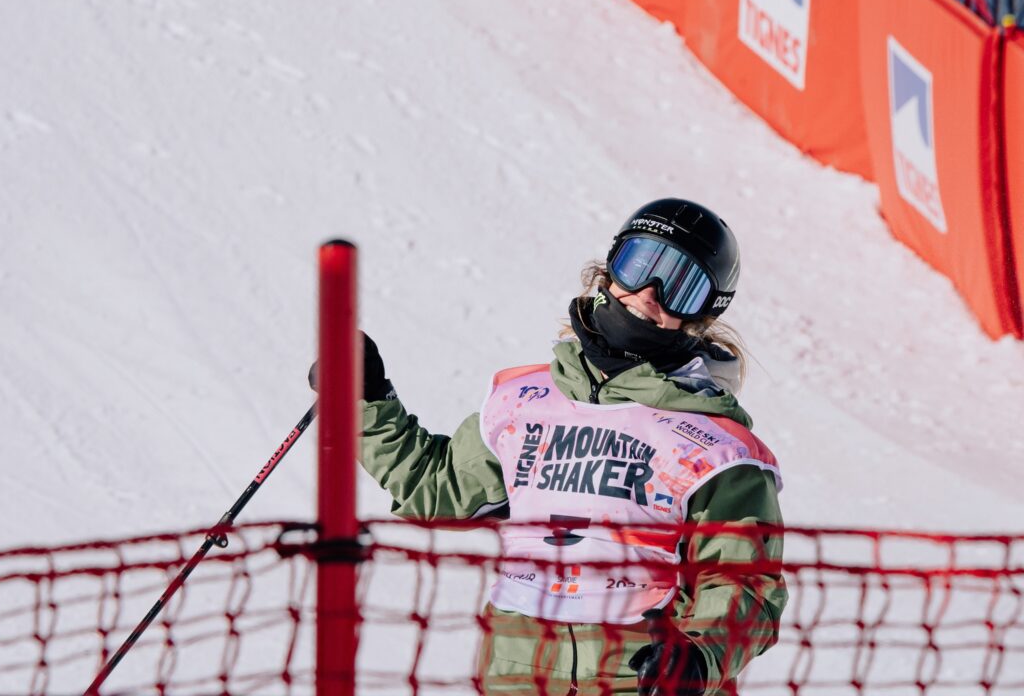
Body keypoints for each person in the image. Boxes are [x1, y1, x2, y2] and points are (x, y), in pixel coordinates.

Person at [316, 199, 785, 695]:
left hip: (639, 677)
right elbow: (439, 490)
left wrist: (697, 658)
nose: (650, 292)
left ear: (704, 314)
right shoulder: (526, 402)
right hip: (520, 672)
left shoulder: (717, 449)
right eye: (641, 264)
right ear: (610, 269)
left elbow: (745, 587)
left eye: (681, 286)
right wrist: (365, 399)